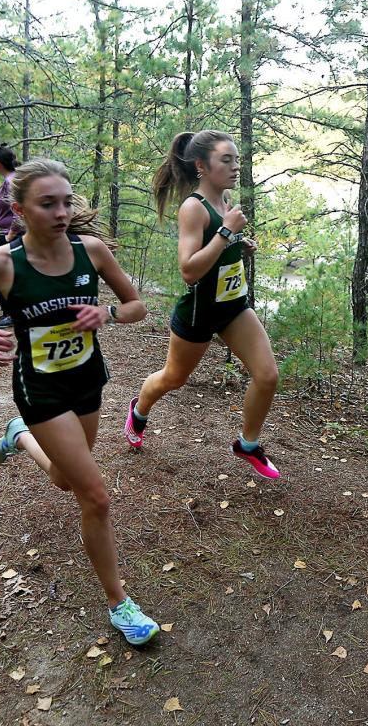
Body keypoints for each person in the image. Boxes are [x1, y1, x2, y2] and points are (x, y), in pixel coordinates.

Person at [0, 158, 160, 646]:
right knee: (96, 496)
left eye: (66, 202)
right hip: (40, 388)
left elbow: (137, 307)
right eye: (48, 204)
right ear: (21, 209)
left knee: (67, 480)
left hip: (87, 382)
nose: (62, 212)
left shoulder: (92, 252)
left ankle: (19, 437)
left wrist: (106, 312)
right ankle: (119, 604)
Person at [123, 130, 280, 479]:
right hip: (199, 313)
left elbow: (219, 251)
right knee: (173, 378)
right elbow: (189, 270)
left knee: (267, 375)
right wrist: (226, 233)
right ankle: (139, 409)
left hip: (233, 307)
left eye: (236, 159)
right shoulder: (194, 208)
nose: (236, 166)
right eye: (226, 159)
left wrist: (240, 242)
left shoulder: (225, 201)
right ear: (201, 166)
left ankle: (247, 444)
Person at [0, 144, 21, 329]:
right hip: (7, 233)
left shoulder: (11, 181)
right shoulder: (9, 179)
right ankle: (12, 312)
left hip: (12, 235)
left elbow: (19, 211)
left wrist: (11, 234)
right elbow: (9, 206)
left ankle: (11, 314)